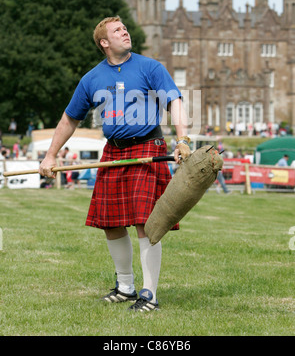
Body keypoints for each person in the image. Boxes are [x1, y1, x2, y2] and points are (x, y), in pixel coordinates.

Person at [39, 16, 190, 312]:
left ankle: (149, 293)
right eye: (117, 30)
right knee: (110, 223)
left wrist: (182, 139)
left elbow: (175, 101)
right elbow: (70, 118)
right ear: (104, 43)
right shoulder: (91, 79)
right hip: (114, 152)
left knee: (147, 223)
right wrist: (51, 154)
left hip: (148, 147)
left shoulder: (150, 67)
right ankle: (125, 286)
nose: (126, 32)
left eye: (125, 28)